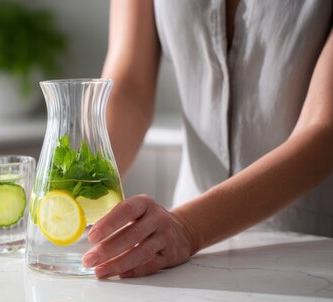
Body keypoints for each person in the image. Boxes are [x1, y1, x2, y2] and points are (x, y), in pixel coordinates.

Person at [82, 0, 333, 278]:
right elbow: (131, 89)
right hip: (181, 254)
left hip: (312, 248)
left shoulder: (183, 230)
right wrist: (79, 188)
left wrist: (188, 228)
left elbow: (324, 127)